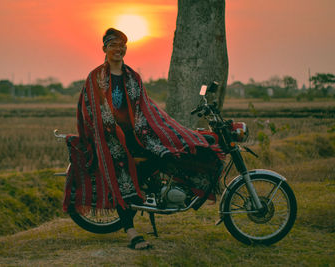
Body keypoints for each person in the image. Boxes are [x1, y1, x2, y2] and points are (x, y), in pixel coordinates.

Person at [63, 28, 223, 250]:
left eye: (122, 45)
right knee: (122, 173)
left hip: (138, 136)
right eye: (113, 45)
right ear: (104, 49)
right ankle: (131, 233)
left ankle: (148, 193)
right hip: (108, 138)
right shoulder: (95, 78)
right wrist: (114, 131)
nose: (118, 49)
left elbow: (144, 108)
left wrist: (153, 130)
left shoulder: (133, 77)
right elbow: (91, 111)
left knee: (166, 153)